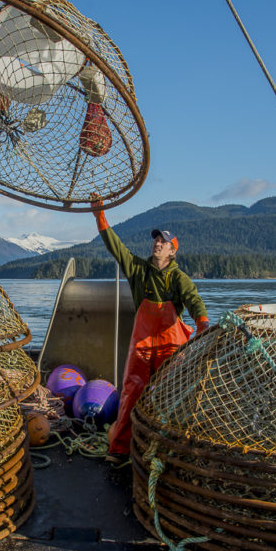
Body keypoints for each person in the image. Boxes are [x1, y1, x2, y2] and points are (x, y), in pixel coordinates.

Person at [91, 198, 209, 463]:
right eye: (155, 240)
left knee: (172, 394)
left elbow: (193, 299)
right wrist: (99, 215)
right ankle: (119, 449)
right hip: (141, 345)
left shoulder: (179, 278)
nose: (157, 243)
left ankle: (170, 452)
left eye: (163, 242)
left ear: (172, 251)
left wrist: (202, 322)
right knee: (132, 391)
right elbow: (115, 247)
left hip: (171, 347)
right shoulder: (137, 270)